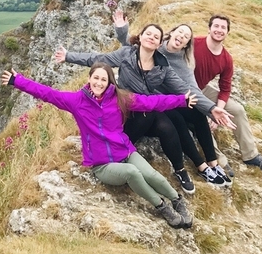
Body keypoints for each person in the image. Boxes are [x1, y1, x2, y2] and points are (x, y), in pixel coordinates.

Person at [0, 62, 196, 228]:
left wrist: (181, 100)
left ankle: (177, 200)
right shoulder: (76, 101)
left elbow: (151, 102)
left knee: (151, 174)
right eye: (96, 78)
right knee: (132, 173)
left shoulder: (120, 98)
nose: (99, 83)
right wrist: (17, 81)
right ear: (89, 78)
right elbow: (47, 94)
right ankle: (162, 206)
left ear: (110, 82)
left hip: (125, 151)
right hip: (102, 164)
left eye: (104, 79)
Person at [55, 23, 235, 195]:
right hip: (124, 113)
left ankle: (180, 170)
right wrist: (68, 56)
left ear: (159, 43)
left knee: (166, 125)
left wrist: (211, 108)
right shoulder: (126, 54)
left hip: (147, 109)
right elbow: (97, 59)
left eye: (156, 36)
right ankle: (125, 151)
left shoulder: (163, 67)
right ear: (140, 37)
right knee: (154, 116)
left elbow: (185, 89)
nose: (152, 38)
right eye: (148, 34)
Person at [113, 12, 233, 187]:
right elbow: (129, 46)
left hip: (175, 99)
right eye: (180, 32)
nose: (182, 37)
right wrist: (121, 28)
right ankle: (201, 166)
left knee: (197, 114)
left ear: (186, 44)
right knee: (177, 120)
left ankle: (213, 163)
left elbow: (192, 90)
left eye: (186, 37)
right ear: (171, 33)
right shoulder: (155, 46)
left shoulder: (183, 63)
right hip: (157, 102)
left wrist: (210, 109)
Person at [194, 15, 262, 173]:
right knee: (201, 120)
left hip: (203, 89)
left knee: (237, 109)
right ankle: (219, 160)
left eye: (223, 27)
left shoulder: (226, 59)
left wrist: (219, 111)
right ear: (209, 28)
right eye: (216, 26)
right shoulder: (194, 44)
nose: (219, 30)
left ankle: (250, 154)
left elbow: (225, 88)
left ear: (227, 32)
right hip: (185, 91)